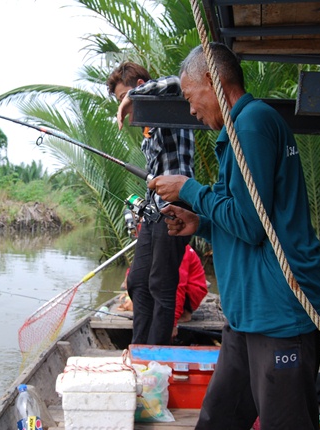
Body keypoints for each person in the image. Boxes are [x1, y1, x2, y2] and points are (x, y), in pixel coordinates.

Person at [147, 43, 320, 429]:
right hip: (246, 315)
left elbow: (249, 222)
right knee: (218, 419)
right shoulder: (239, 130)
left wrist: (189, 189)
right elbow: (252, 217)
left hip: (278, 314)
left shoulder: (251, 123)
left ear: (214, 82)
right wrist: (203, 223)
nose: (191, 109)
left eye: (190, 96)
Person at [106, 62, 195, 345]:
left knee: (161, 284)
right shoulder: (148, 125)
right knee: (137, 282)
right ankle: (138, 348)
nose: (124, 104)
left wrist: (132, 98)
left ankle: (154, 356)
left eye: (123, 97)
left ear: (140, 84)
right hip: (154, 208)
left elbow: (178, 82)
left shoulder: (168, 103)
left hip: (177, 204)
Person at [118, 243, 208, 339]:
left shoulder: (178, 249)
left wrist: (172, 323)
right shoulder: (150, 244)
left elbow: (178, 287)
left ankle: (184, 314)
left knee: (168, 285)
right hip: (167, 286)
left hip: (190, 292)